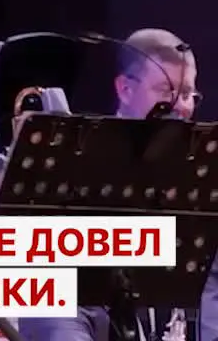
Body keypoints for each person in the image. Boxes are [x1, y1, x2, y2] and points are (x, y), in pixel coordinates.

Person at [19, 28, 198, 341]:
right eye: (165, 91)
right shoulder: (68, 179)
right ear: (125, 89)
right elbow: (53, 306)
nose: (179, 107)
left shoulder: (199, 180)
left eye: (186, 94)